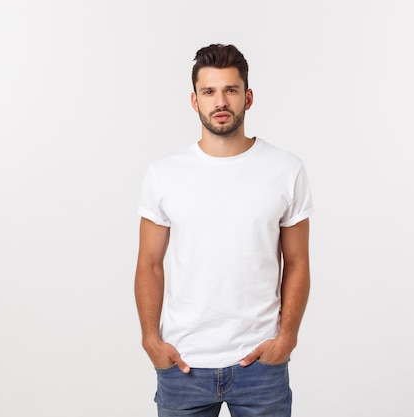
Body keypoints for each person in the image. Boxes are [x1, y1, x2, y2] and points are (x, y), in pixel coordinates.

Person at [134, 43, 314, 417]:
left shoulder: (285, 169)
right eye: (209, 91)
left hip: (261, 364)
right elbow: (149, 263)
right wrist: (151, 340)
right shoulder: (164, 173)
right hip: (183, 363)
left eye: (230, 90)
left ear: (247, 97)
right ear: (194, 100)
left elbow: (297, 261)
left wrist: (287, 339)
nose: (220, 101)